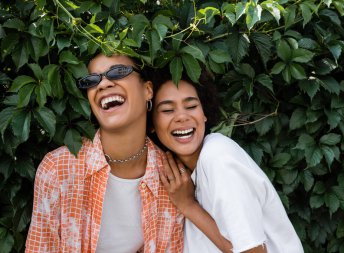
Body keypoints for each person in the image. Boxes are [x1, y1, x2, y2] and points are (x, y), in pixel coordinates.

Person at [25, 53, 183, 253]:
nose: (103, 84)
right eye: (92, 80)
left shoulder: (170, 178)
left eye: (118, 72)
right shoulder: (58, 169)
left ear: (147, 90)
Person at [150, 69, 304, 253]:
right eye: (167, 110)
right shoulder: (184, 178)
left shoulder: (217, 156)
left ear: (204, 113)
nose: (182, 116)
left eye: (191, 106)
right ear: (151, 124)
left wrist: (188, 206)